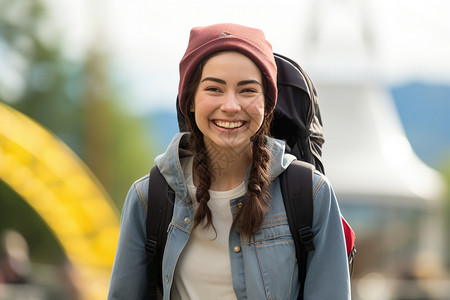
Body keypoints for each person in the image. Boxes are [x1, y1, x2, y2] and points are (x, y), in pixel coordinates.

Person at [108, 23, 351, 300]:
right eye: (214, 89)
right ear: (190, 101)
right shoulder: (149, 198)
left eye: (247, 90)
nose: (231, 106)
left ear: (267, 104)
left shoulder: (310, 194)